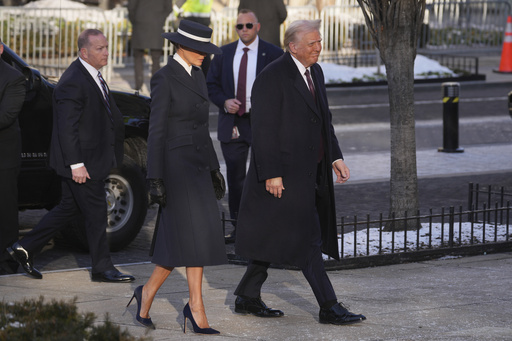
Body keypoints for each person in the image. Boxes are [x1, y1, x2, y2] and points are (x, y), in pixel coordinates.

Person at [233, 20, 367, 325]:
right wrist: (271, 174)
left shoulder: (315, 72)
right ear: (293, 46)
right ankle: (329, 306)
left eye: (319, 42)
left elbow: (324, 120)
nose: (318, 48)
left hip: (311, 173)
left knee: (273, 234)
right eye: (312, 43)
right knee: (308, 240)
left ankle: (247, 296)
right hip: (283, 176)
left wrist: (335, 157)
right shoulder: (272, 77)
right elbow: (263, 130)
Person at [7, 29, 135, 283]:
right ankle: (102, 268)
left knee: (67, 208)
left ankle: (22, 248)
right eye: (100, 48)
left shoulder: (91, 75)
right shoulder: (73, 81)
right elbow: (67, 127)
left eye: (107, 47)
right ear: (83, 52)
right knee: (97, 213)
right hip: (81, 163)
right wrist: (76, 164)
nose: (106, 52)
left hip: (89, 159)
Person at [126, 20, 226, 334]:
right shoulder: (163, 78)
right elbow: (155, 133)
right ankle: (192, 307)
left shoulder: (198, 74)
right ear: (181, 46)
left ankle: (163, 298)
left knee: (191, 240)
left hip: (197, 167)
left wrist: (213, 168)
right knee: (186, 239)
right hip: (175, 170)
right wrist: (154, 178)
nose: (204, 56)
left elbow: (202, 128)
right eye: (200, 50)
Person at [207, 9, 283, 243]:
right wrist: (224, 101)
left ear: (257, 26)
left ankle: (264, 226)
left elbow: (281, 88)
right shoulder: (223, 53)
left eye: (248, 25)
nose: (244, 30)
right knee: (236, 177)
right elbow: (211, 85)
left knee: (266, 175)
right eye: (240, 26)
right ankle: (239, 228)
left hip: (262, 123)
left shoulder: (273, 53)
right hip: (233, 122)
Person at [0, 38, 26, 275]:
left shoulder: (13, 78)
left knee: (5, 211)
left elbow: (6, 116)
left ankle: (6, 262)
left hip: (3, 159)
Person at [127, 0, 173, 92]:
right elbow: (168, 8)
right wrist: (161, 18)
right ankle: (155, 87)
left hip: (139, 23)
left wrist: (135, 19)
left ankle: (138, 86)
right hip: (156, 24)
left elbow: (131, 7)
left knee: (138, 57)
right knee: (156, 59)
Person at [177, 0, 213, 75]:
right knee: (204, 52)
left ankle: (182, 77)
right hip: (204, 23)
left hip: (190, 22)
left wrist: (176, 17)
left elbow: (177, 6)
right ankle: (209, 80)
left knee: (186, 51)